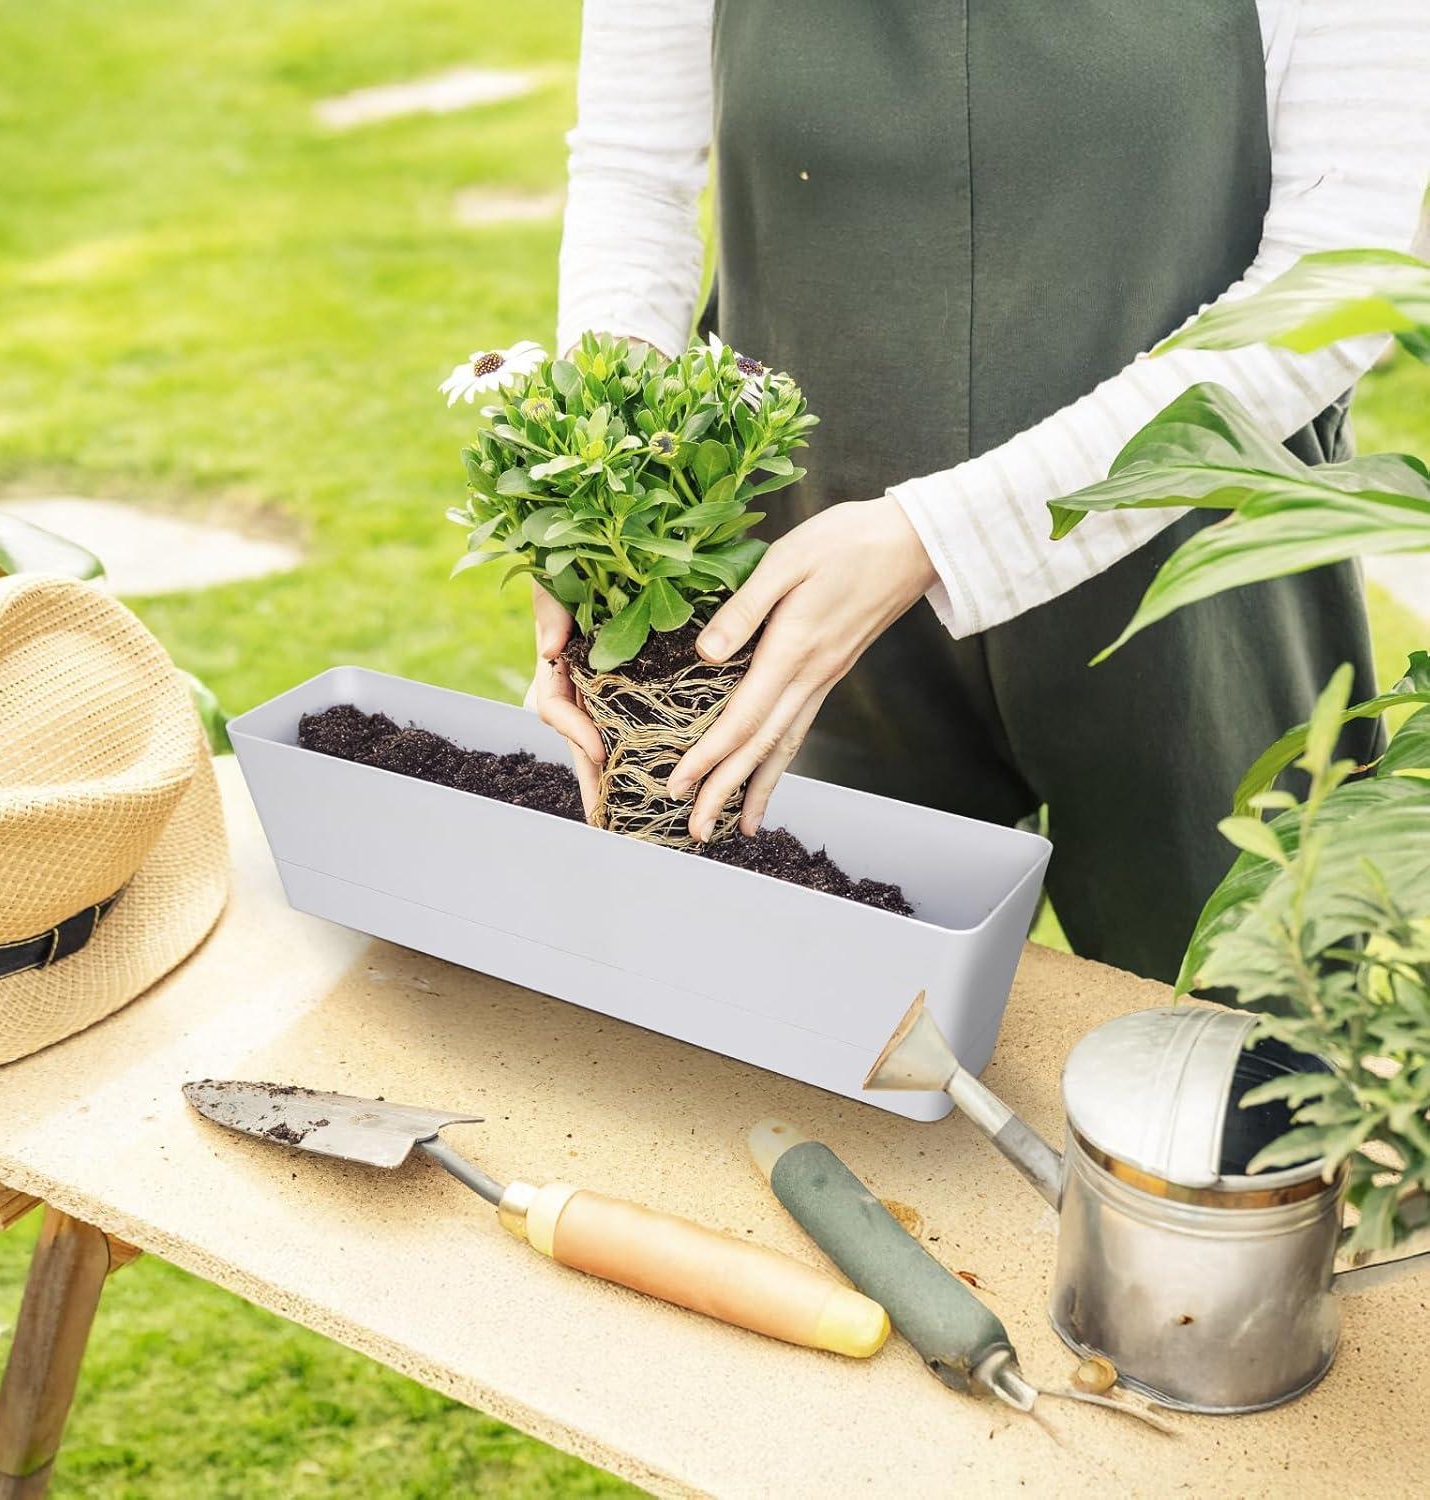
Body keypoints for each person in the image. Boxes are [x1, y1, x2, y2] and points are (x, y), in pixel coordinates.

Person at [532, 0, 1430, 983]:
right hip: (806, 591)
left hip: (1194, 577)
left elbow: (1333, 284)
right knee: (807, 1026)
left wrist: (942, 535)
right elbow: (635, 169)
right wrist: (609, 475)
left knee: (1236, 1078)